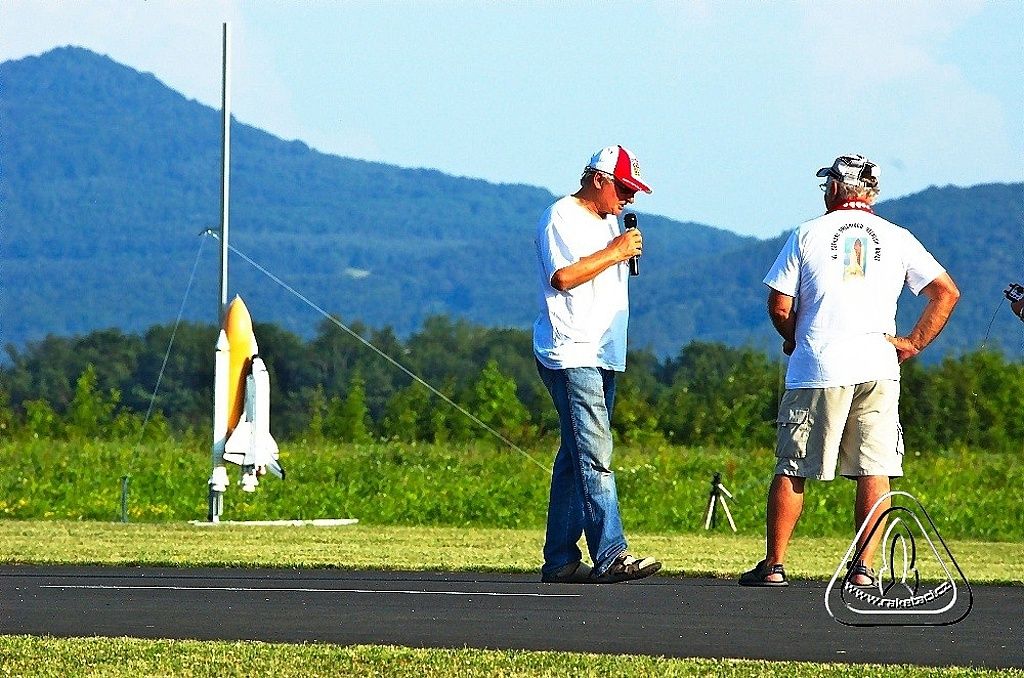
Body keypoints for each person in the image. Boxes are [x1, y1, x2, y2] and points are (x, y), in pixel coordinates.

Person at [740, 154, 960, 588]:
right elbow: (945, 292)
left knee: (794, 466)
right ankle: (863, 569)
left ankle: (774, 564)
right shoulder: (897, 237)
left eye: (828, 184)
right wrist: (913, 342)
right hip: (878, 365)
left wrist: (794, 337)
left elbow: (780, 305)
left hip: (818, 365)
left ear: (837, 189)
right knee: (874, 468)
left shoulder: (807, 233)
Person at [534, 145, 662, 584]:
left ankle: (560, 559)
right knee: (595, 455)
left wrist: (617, 249)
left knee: (576, 456)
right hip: (572, 352)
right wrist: (615, 251)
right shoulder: (561, 217)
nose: (629, 198)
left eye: (633, 190)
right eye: (623, 188)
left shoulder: (609, 221)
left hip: (602, 352)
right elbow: (563, 276)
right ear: (598, 179)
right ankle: (611, 553)